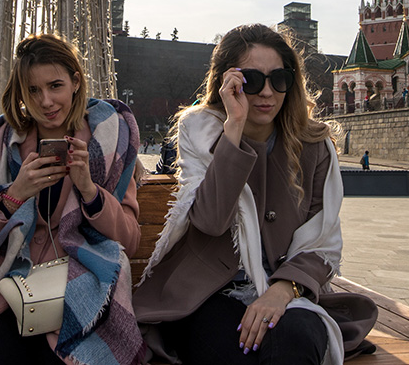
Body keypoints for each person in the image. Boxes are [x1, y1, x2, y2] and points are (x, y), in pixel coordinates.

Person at [134, 24, 377, 365]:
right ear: (228, 83)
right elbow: (210, 220)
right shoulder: (201, 131)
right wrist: (233, 128)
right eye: (252, 80)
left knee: (296, 337)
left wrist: (284, 288)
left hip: (292, 293)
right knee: (235, 351)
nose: (267, 92)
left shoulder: (314, 145)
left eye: (279, 79)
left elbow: (323, 237)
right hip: (207, 293)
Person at [0, 34, 144, 365]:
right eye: (33, 90)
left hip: (77, 289)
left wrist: (90, 191)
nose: (46, 101)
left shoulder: (108, 141)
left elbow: (130, 241)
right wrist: (13, 196)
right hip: (1, 292)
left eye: (55, 86)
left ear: (76, 82)